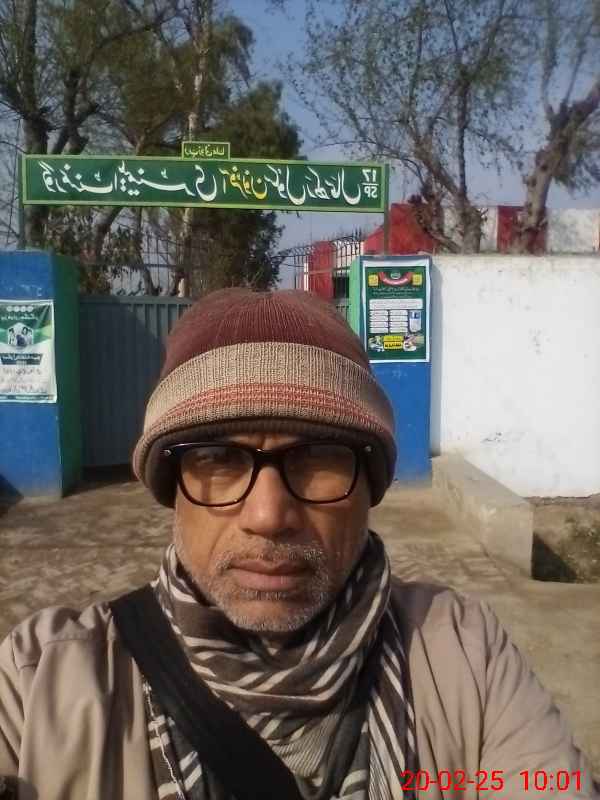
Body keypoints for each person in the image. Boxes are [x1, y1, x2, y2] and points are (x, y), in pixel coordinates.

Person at [0, 288, 597, 800]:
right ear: (170, 486)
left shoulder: (463, 654)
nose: (268, 516)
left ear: (370, 486)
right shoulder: (40, 680)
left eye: (318, 458)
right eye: (217, 459)